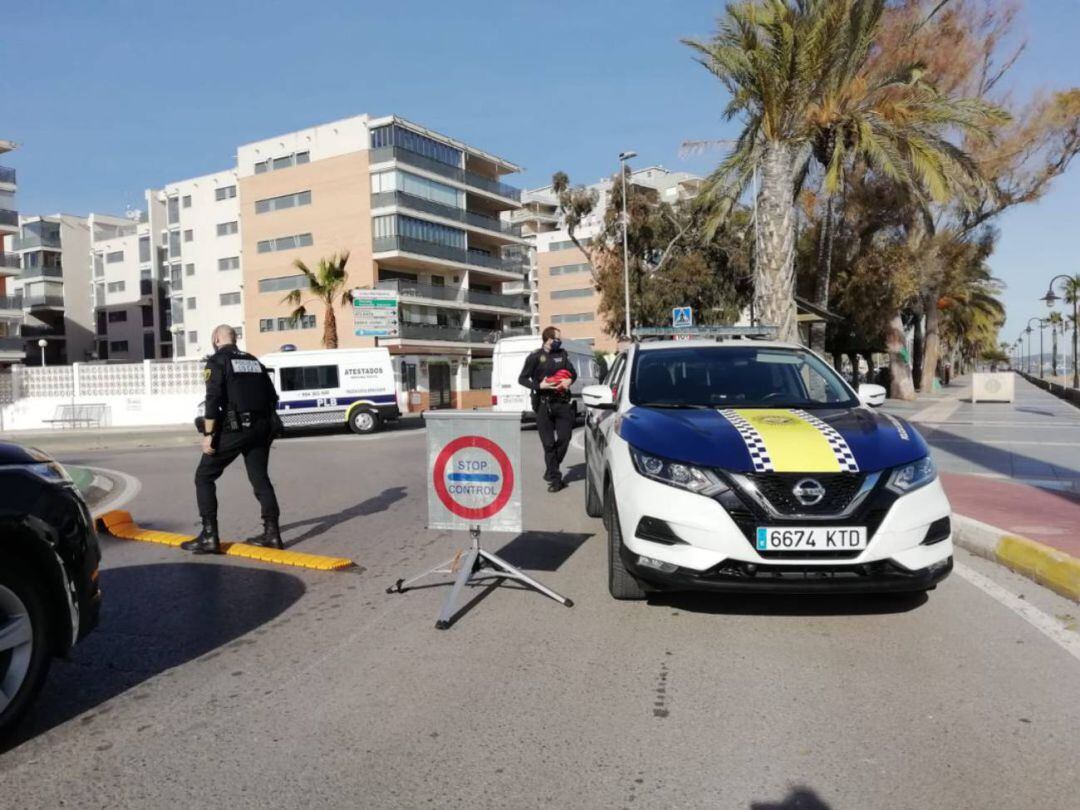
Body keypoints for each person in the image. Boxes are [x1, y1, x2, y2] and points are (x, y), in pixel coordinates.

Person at [182, 325, 283, 554]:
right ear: (234, 339)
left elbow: (213, 398)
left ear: (217, 339)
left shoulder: (218, 361)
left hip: (236, 429)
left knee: (204, 476)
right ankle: (272, 534)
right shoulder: (254, 361)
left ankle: (209, 536)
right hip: (262, 428)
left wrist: (209, 435)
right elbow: (272, 396)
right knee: (260, 478)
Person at [519, 327, 578, 492]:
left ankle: (551, 468)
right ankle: (556, 479)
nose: (560, 340)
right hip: (543, 405)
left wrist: (569, 381)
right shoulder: (535, 357)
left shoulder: (563, 355)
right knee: (548, 444)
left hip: (562, 403)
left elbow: (573, 373)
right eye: (557, 338)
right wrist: (539, 385)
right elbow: (522, 379)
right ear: (548, 339)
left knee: (565, 438)